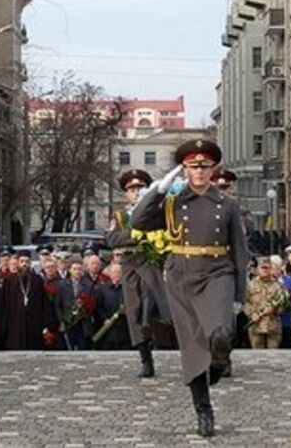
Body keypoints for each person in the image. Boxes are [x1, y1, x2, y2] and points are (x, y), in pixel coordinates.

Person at [131, 138, 249, 438]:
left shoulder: (227, 205)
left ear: (213, 170)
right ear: (185, 169)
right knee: (194, 350)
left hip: (217, 272)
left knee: (221, 332)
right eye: (193, 166)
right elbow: (139, 221)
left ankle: (220, 362)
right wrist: (157, 190)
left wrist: (239, 294)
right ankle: (204, 410)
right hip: (181, 275)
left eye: (205, 166)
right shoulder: (172, 202)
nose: (199, 171)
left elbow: (240, 250)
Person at [106, 168, 171, 375]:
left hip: (151, 261)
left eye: (140, 188)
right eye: (132, 189)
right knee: (133, 309)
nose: (136, 192)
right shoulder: (120, 215)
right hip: (129, 264)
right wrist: (135, 234)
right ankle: (145, 357)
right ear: (126, 193)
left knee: (151, 300)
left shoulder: (157, 211)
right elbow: (112, 239)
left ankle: (154, 327)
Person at [0, 251, 50, 350]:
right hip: (14, 323)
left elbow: (44, 303)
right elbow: (2, 304)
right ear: (18, 263)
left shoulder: (37, 280)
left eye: (27, 262)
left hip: (34, 323)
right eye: (22, 261)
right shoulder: (9, 281)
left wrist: (46, 323)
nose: (24, 264)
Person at [243, 257, 286, 349]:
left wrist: (274, 309)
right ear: (257, 269)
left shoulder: (278, 285)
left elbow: (283, 305)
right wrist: (251, 314)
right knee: (257, 356)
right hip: (256, 326)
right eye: (263, 268)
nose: (265, 270)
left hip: (273, 327)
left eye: (267, 268)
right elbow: (244, 302)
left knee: (273, 356)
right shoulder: (250, 285)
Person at [55, 257, 95, 350]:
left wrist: (84, 310)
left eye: (79, 269)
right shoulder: (62, 285)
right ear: (69, 270)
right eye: (74, 269)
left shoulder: (89, 285)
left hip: (82, 322)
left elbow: (92, 304)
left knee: (83, 347)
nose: (77, 271)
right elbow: (58, 305)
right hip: (68, 321)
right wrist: (61, 321)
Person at [93, 263, 132, 350]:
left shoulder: (128, 289)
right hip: (108, 328)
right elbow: (98, 307)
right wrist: (104, 319)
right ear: (110, 274)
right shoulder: (102, 289)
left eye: (119, 272)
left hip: (124, 328)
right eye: (114, 272)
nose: (117, 274)